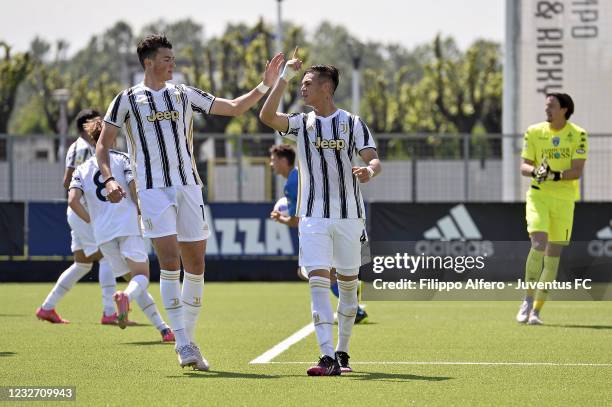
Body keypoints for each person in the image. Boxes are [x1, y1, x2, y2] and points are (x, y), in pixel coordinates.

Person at [97, 34, 283, 370]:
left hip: (189, 187)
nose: (172, 64)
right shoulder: (125, 100)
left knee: (195, 264)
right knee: (170, 263)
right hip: (152, 190)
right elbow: (104, 145)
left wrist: (264, 85)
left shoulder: (184, 94)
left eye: (173, 58)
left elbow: (233, 107)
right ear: (148, 62)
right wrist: (110, 178)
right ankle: (182, 343)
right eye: (166, 58)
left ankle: (190, 340)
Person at [260, 52, 381, 376]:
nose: (302, 89)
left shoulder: (353, 123)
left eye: (307, 83)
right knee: (316, 282)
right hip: (313, 217)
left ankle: (342, 352)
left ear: (327, 88)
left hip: (350, 217)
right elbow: (267, 115)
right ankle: (326, 357)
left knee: (348, 289)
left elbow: (373, 159)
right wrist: (282, 77)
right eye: (300, 84)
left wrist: (369, 170)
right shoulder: (301, 124)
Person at [68, 118, 174, 342]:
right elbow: (135, 188)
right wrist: (143, 214)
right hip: (126, 225)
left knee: (134, 280)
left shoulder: (82, 169)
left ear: (90, 138)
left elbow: (72, 200)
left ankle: (164, 329)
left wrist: (92, 220)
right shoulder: (123, 159)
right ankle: (125, 298)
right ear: (111, 137)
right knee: (141, 276)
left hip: (103, 233)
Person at [36, 109, 119, 325]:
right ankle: (109, 312)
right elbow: (67, 181)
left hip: (80, 211)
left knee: (82, 264)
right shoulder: (82, 148)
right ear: (87, 125)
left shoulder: (85, 147)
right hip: (82, 210)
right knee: (107, 255)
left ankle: (47, 307)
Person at [269, 144, 368, 323]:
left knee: (315, 272)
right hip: (331, 224)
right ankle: (350, 295)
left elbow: (296, 220)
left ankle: (352, 303)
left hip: (318, 230)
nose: (271, 164)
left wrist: (280, 218)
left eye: (273, 160)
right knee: (323, 272)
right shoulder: (299, 176)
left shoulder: (292, 183)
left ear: (284, 161)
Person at [516, 93, 588, 325]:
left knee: (553, 258)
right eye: (546, 106)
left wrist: (554, 175)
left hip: (564, 201)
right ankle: (526, 300)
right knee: (538, 243)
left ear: (564, 110)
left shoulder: (578, 135)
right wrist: (536, 171)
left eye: (552, 106)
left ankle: (536, 311)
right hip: (539, 196)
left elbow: (577, 171)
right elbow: (524, 165)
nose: (547, 110)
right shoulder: (534, 131)